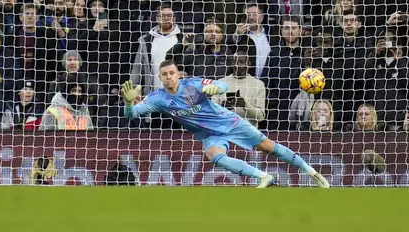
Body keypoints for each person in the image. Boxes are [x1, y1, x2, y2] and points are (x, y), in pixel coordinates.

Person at [121, 59, 330, 188]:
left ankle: (313, 173)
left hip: (230, 122)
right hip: (210, 136)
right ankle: (264, 177)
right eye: (165, 75)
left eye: (172, 73)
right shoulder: (158, 98)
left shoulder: (192, 84)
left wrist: (216, 88)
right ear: (160, 77)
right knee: (215, 156)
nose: (169, 77)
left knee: (268, 147)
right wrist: (129, 102)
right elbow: (131, 115)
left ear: (178, 74)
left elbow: (220, 84)